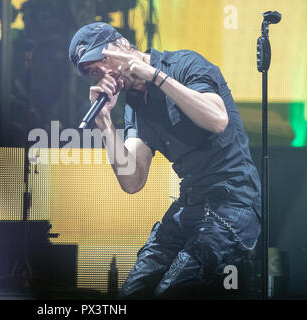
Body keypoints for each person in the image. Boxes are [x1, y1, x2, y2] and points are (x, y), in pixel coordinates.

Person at [68, 22, 261, 299]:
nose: (102, 75)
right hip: (191, 204)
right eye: (93, 73)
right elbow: (132, 181)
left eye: (102, 63)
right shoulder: (135, 106)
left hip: (233, 203)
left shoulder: (184, 65)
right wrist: (105, 122)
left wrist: (155, 76)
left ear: (122, 45)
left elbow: (218, 120)